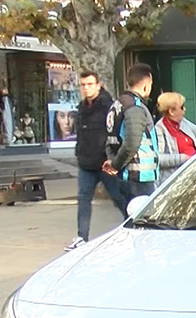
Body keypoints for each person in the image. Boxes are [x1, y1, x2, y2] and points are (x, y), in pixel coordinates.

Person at [68, 71, 125, 250]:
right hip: (86, 163)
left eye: (89, 84)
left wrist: (113, 158)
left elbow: (114, 134)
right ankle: (81, 236)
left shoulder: (108, 106)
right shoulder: (81, 108)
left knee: (118, 197)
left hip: (105, 162)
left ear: (98, 85)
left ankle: (135, 224)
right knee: (83, 198)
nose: (86, 88)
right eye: (83, 85)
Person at [103, 63, 159, 208]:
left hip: (126, 176)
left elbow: (110, 138)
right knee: (143, 222)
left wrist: (113, 161)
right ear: (146, 86)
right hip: (139, 177)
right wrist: (116, 165)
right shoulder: (135, 107)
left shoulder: (117, 105)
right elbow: (132, 143)